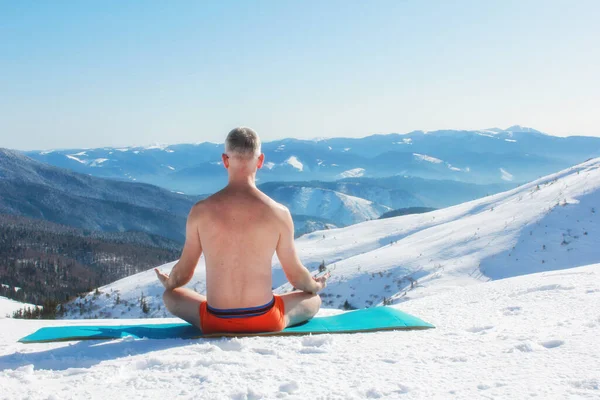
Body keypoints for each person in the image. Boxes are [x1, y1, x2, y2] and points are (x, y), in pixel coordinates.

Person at [155, 127, 329, 334]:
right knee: (312, 299)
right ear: (261, 160)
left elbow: (183, 274)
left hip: (215, 321)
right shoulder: (279, 213)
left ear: (225, 160)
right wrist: (316, 286)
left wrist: (170, 281)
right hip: (265, 319)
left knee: (170, 296)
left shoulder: (200, 211)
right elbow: (296, 278)